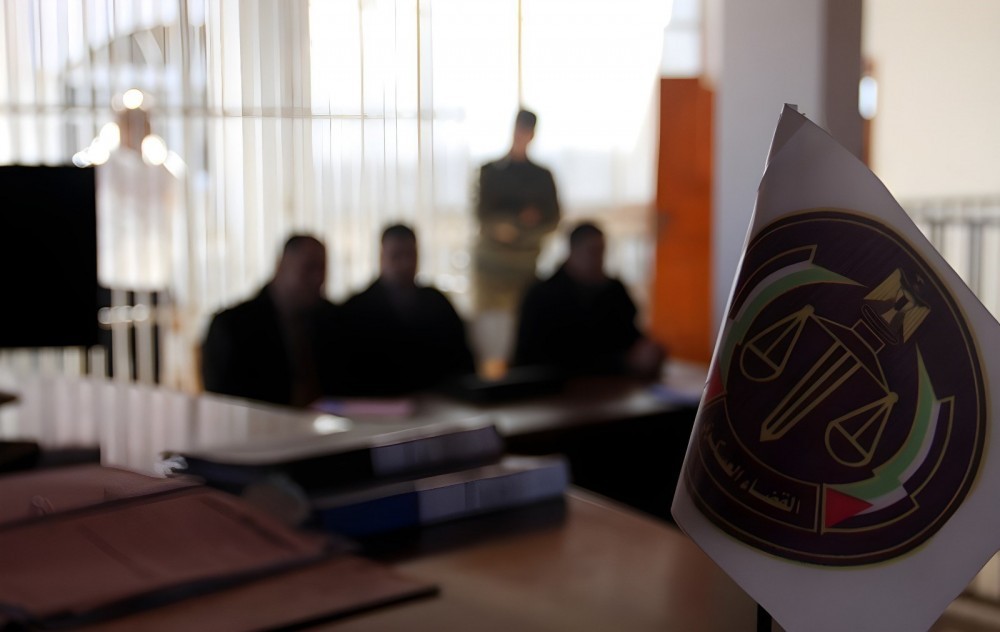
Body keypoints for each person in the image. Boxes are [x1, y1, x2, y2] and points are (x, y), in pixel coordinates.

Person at [201, 235, 341, 406]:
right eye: (309, 268)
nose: (318, 278)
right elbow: (224, 398)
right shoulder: (234, 326)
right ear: (281, 266)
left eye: (322, 269)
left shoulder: (332, 319)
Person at [513, 222, 665, 378]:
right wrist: (622, 362)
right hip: (554, 386)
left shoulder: (613, 291)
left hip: (612, 386)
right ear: (573, 251)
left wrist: (648, 351)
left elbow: (629, 335)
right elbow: (542, 357)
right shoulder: (542, 295)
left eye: (602, 252)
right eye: (592, 252)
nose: (599, 259)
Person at [339, 224, 475, 396]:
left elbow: (463, 363)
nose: (405, 264)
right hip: (377, 405)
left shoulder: (437, 303)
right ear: (381, 257)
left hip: (439, 401)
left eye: (410, 255)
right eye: (396, 256)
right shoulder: (355, 309)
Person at [472, 109, 561, 372]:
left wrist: (518, 228)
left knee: (522, 335)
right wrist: (519, 222)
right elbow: (484, 216)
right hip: (491, 270)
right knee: (490, 338)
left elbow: (551, 219)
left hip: (525, 268)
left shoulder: (541, 176)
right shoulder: (491, 172)